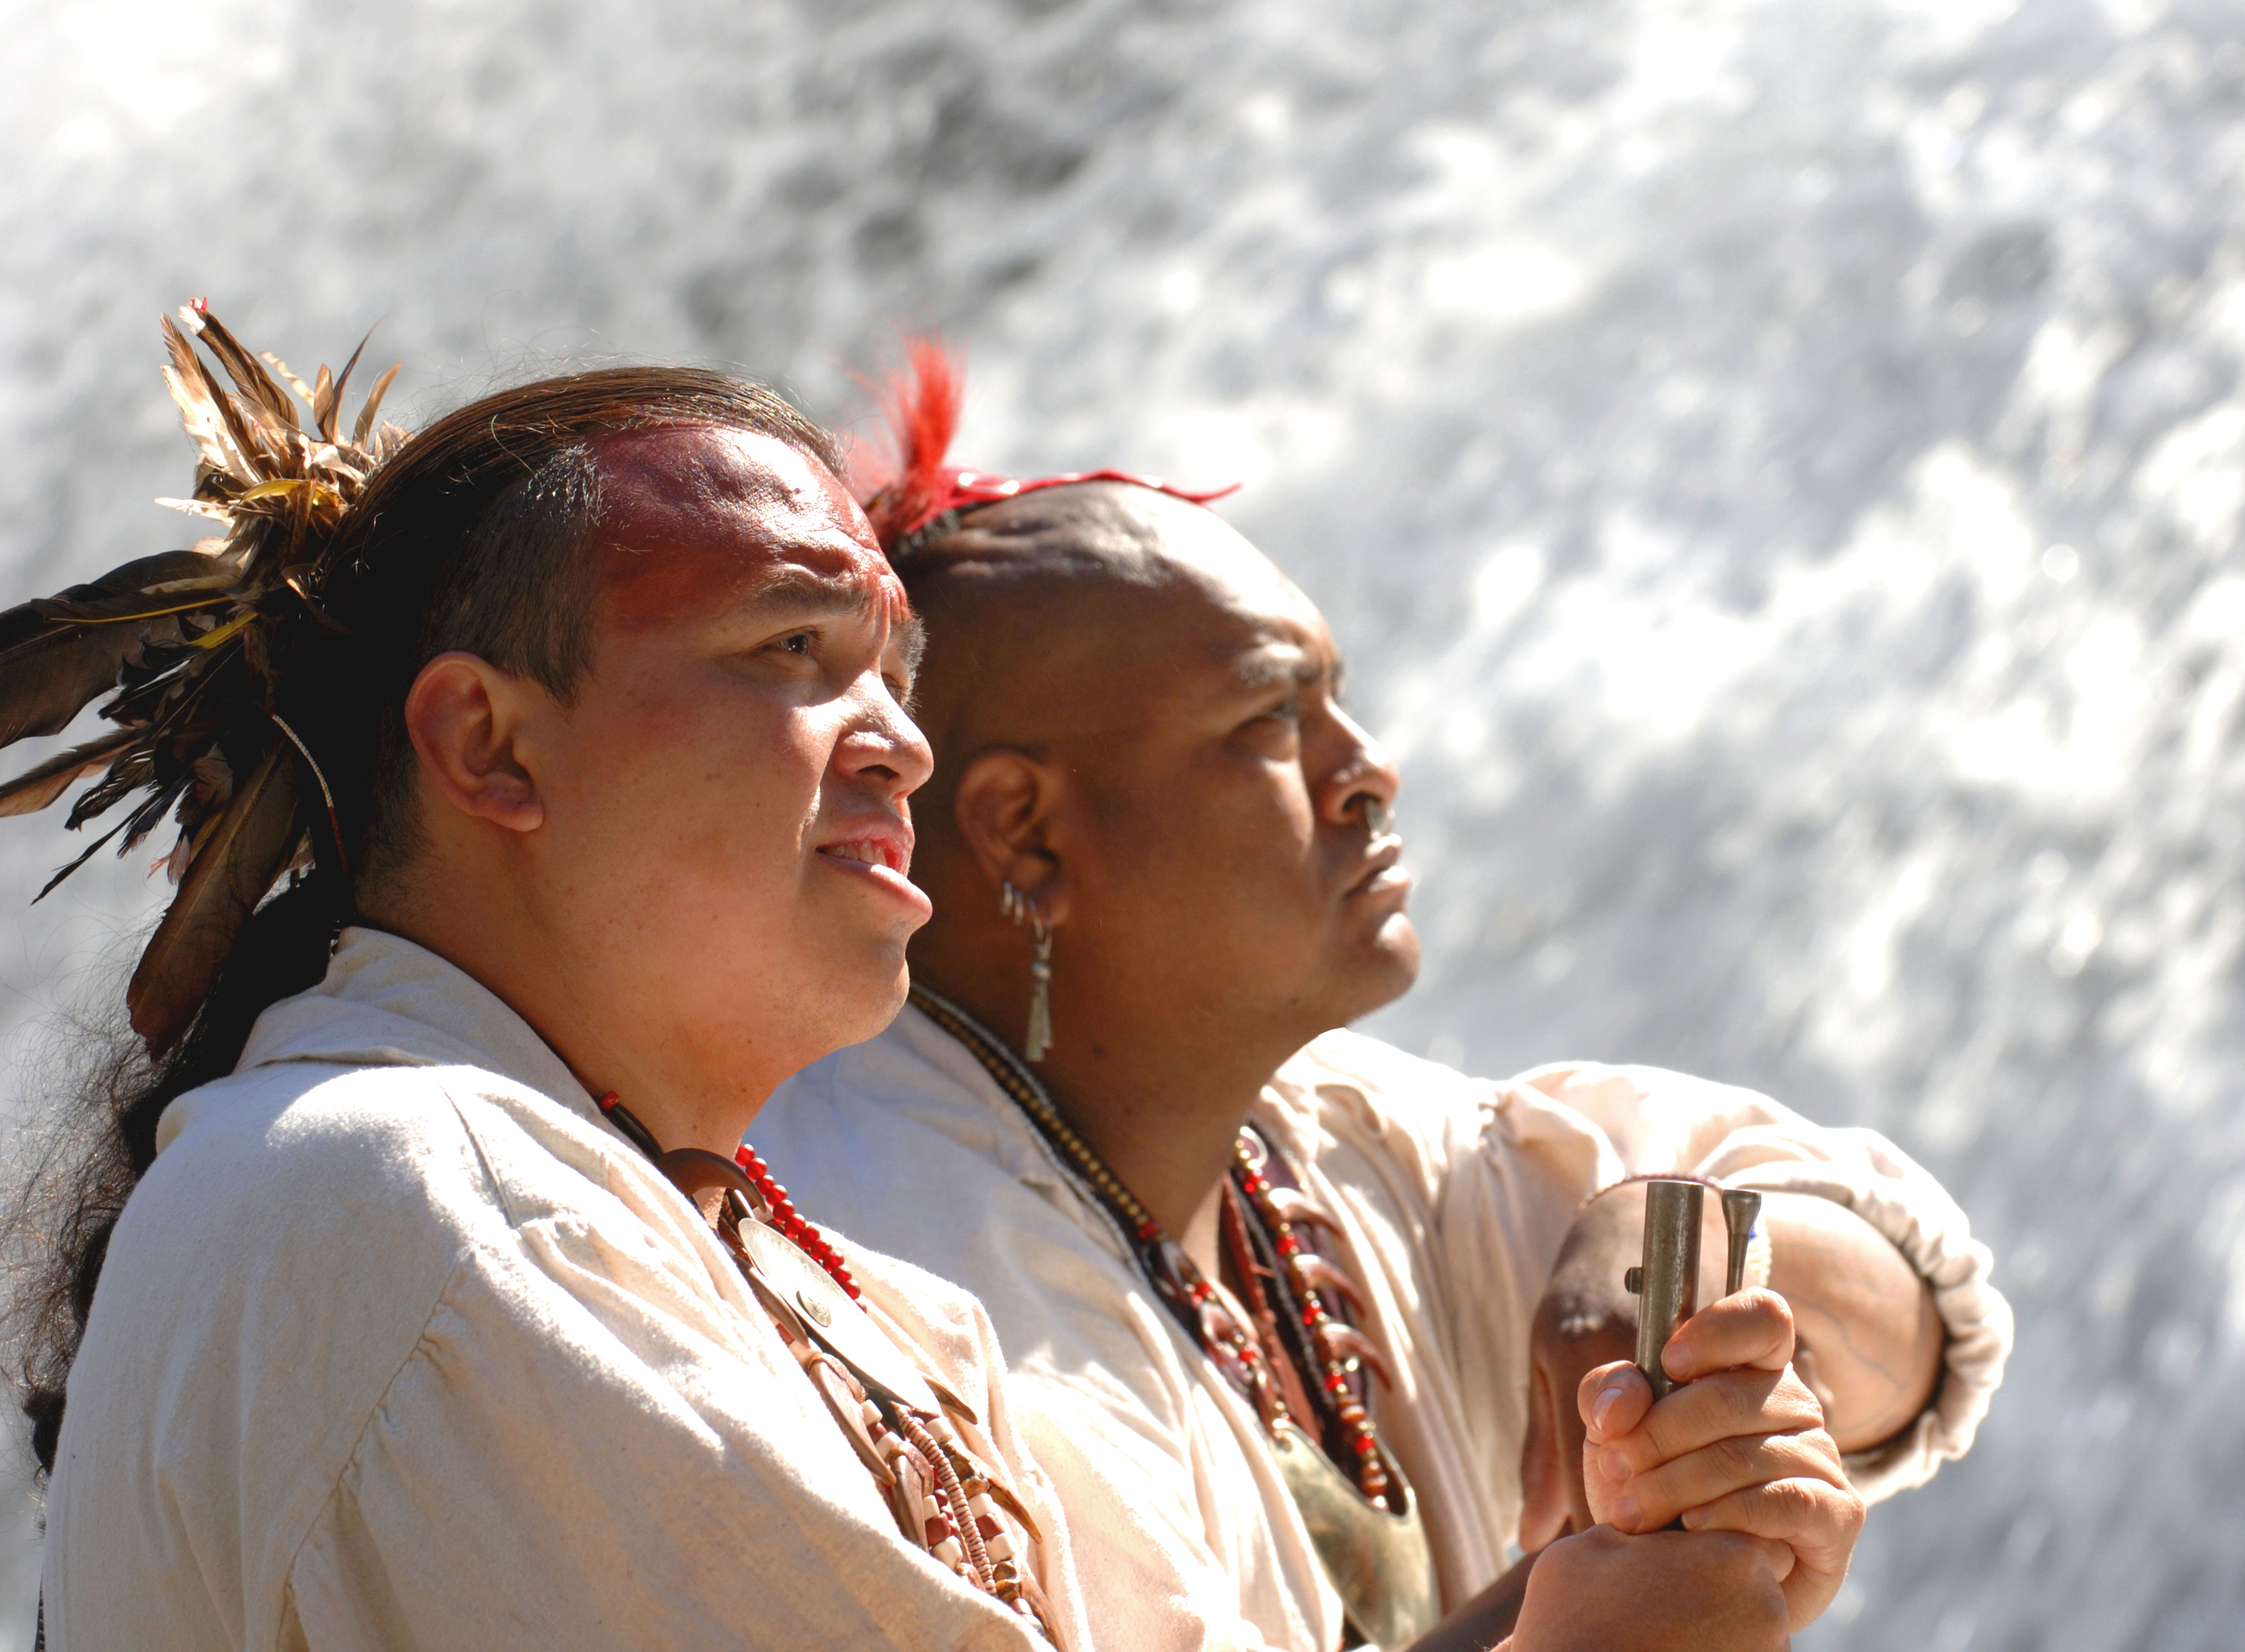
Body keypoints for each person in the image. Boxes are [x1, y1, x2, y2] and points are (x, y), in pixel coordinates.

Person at [752, 349, 2015, 1650]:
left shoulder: (1311, 1136)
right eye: (1269, 720)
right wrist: (1628, 1575)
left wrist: (1649, 1258)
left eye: (1337, 701)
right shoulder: (903, 1272)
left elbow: (1914, 1325)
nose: (1368, 773)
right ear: (1025, 833)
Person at [8, 307, 1089, 1650]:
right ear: (488, 746)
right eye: (790, 649)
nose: (900, 746)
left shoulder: (802, 1275)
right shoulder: (428, 1197)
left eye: (895, 676)